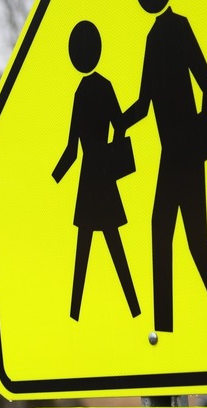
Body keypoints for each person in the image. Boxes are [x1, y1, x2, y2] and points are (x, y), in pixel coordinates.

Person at [118, 0, 207, 334]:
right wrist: (120, 124)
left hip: (182, 152)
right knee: (177, 235)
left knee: (183, 237)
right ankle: (184, 326)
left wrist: (198, 137)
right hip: (172, 153)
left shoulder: (177, 27)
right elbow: (144, 104)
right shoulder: (153, 35)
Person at [53, 20, 141, 322]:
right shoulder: (104, 86)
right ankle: (133, 309)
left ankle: (75, 313)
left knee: (85, 249)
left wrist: (56, 176)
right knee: (110, 245)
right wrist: (113, 153)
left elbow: (72, 149)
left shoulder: (81, 92)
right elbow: (119, 123)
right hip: (102, 173)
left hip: (90, 177)